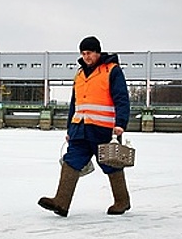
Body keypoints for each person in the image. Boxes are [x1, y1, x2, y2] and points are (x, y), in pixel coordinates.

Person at [38, 36, 131, 217]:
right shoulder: (80, 74)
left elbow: (122, 99)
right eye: (83, 53)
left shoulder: (112, 71)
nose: (86, 56)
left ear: (97, 52)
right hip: (80, 128)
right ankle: (61, 202)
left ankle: (122, 201)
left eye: (89, 53)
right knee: (71, 160)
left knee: (111, 164)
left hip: (104, 129)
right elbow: (75, 103)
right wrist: (70, 129)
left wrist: (120, 124)